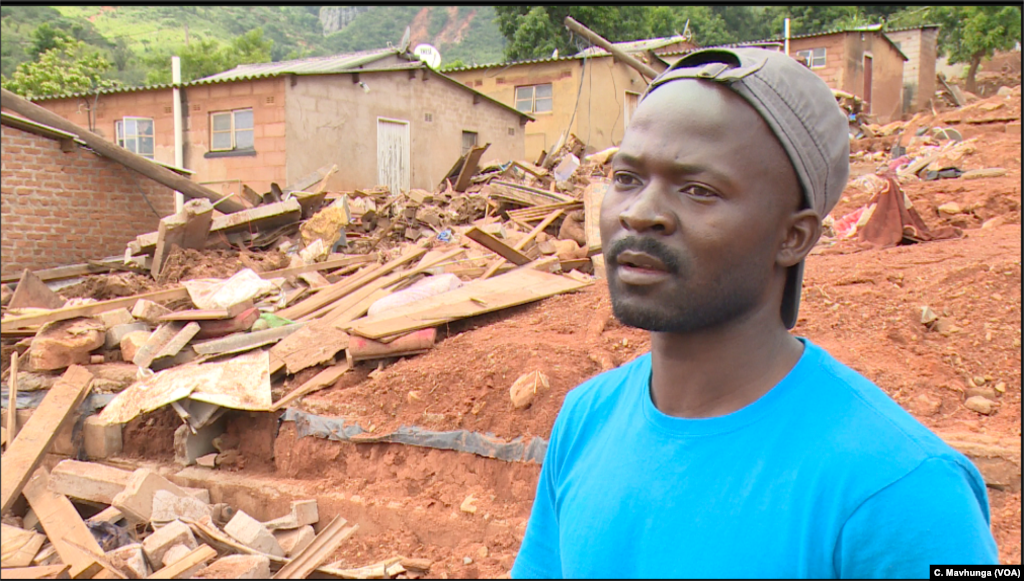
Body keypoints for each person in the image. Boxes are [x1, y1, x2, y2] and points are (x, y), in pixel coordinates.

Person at [511, 47, 999, 579]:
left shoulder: (905, 488)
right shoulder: (586, 418)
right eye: (627, 178)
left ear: (793, 237)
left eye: (698, 190)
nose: (640, 213)